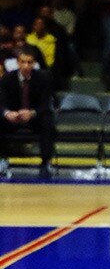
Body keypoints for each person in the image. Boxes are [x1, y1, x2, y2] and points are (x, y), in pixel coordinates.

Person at [0, 49, 56, 179]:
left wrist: (32, 113)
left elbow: (46, 105)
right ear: (18, 63)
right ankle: (2, 159)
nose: (26, 66)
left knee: (47, 120)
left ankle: (45, 163)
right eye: (23, 62)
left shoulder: (43, 78)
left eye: (29, 62)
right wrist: (7, 113)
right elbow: (1, 102)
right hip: (13, 117)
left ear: (34, 64)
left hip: (33, 118)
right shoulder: (7, 78)